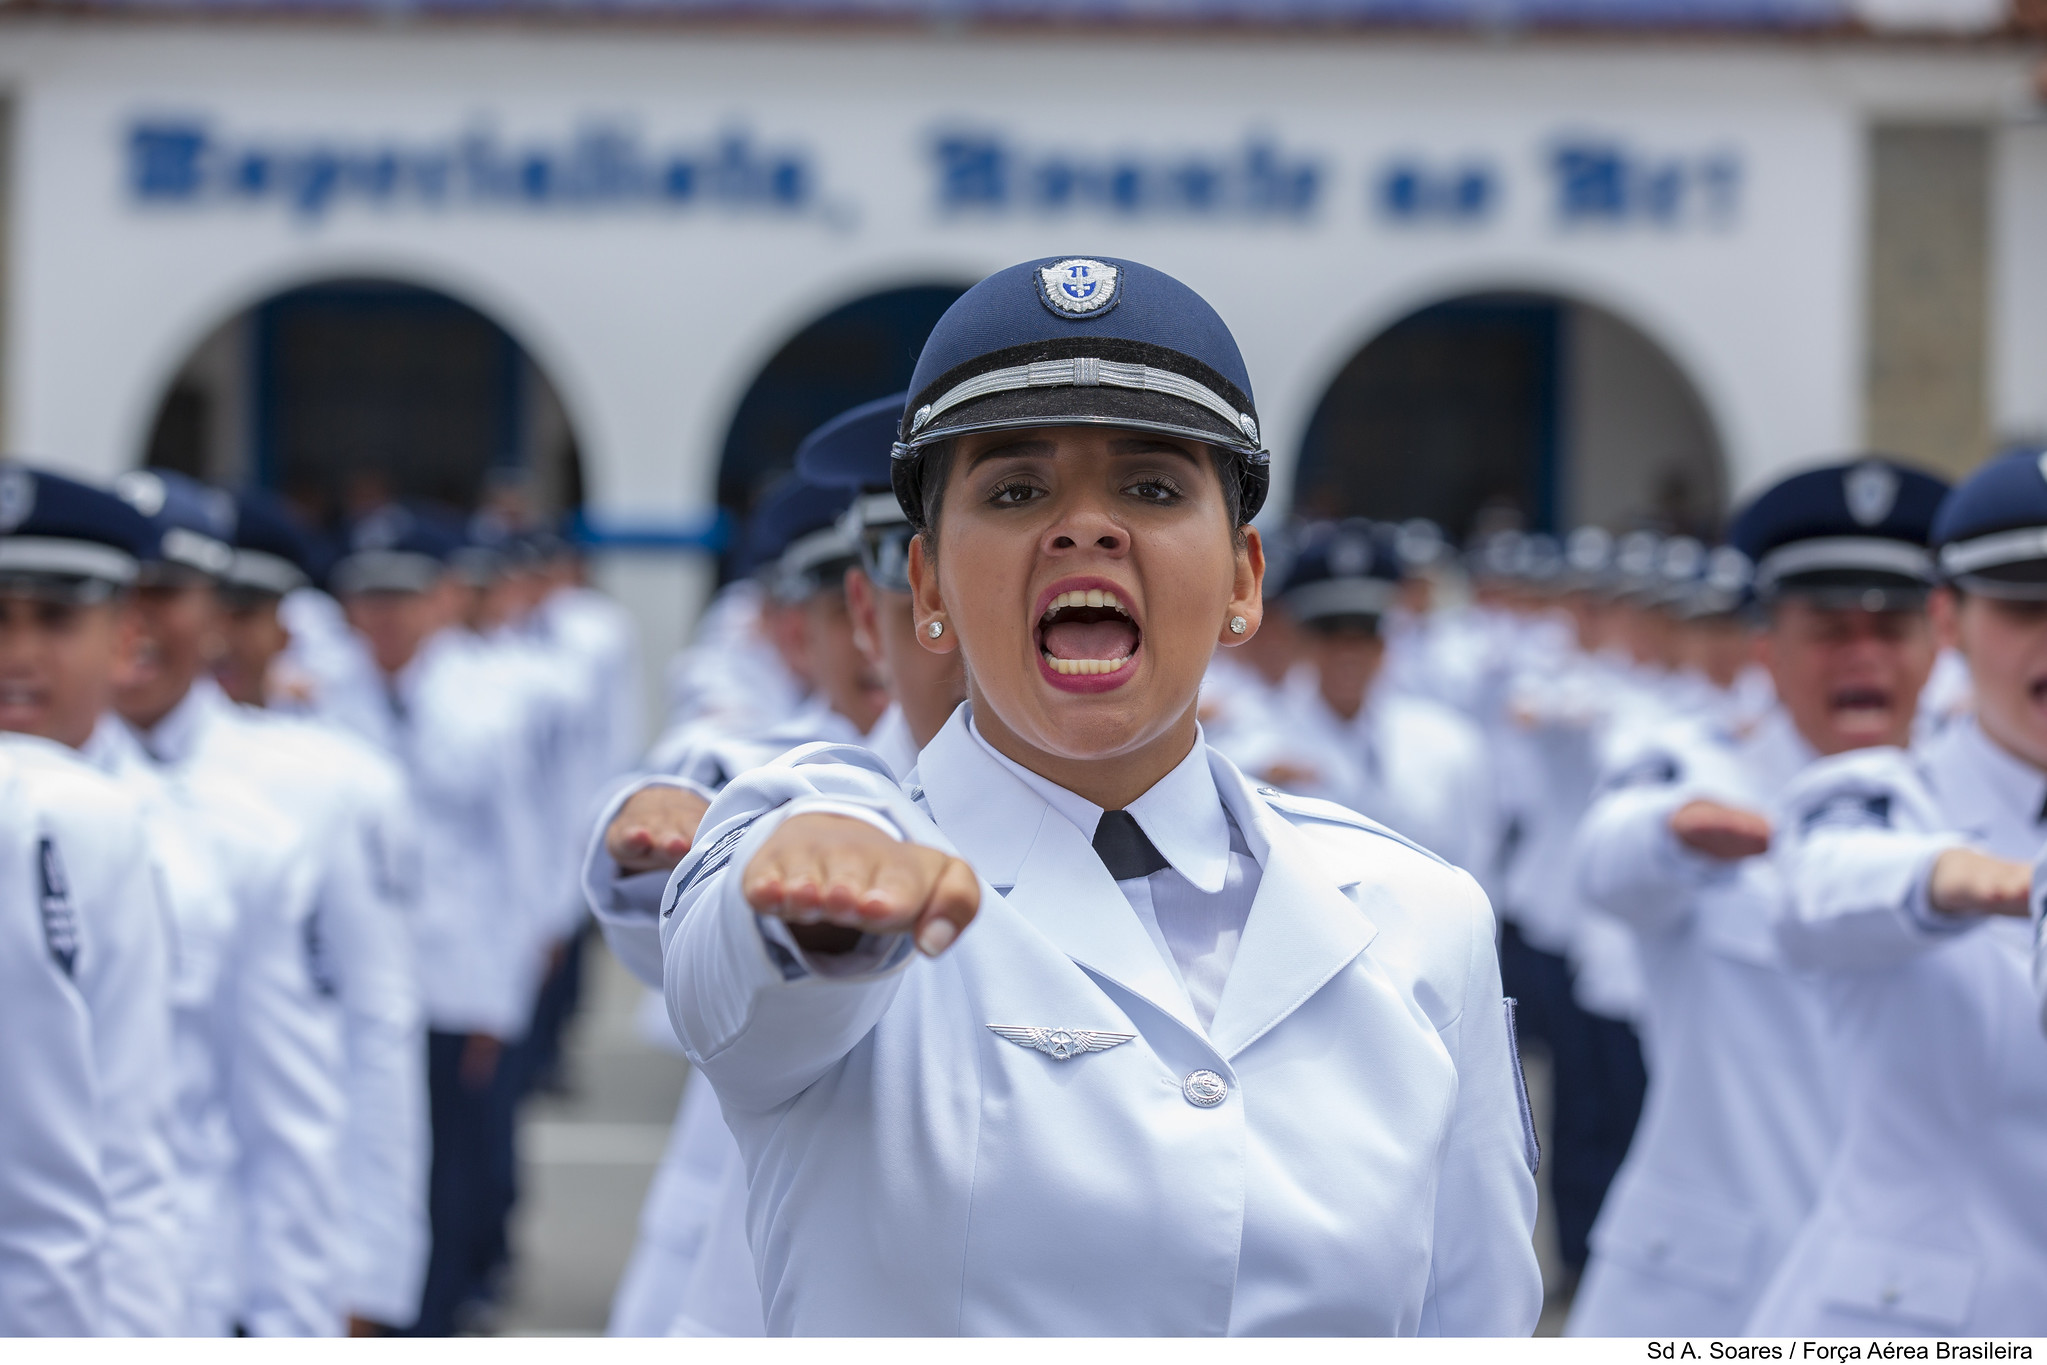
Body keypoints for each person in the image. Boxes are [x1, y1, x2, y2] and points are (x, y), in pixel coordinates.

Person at [654, 256, 1542, 1335]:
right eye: (1016, 491)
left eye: (1153, 488)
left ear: (1243, 580)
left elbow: (1476, 1319)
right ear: (926, 585)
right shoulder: (823, 846)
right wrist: (803, 912)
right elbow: (733, 966)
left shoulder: (1417, 917)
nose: (1086, 529)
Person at [596, 398, 968, 1337]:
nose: (943, 618)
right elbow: (676, 908)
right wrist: (681, 852)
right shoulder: (769, 780)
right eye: (906, 568)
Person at [1563, 458, 1950, 1336]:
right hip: (1709, 1294)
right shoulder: (1694, 768)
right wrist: (1677, 835)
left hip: (1911, 1305)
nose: (1862, 653)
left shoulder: (1972, 810)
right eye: (1827, 627)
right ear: (1765, 646)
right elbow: (1606, 862)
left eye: (1890, 626)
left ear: (1938, 643)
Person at [1746, 447, 2047, 1335]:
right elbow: (1819, 884)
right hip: (1917, 1324)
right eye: (2024, 605)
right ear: (1947, 618)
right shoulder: (1888, 793)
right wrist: (1992, 883)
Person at [200, 488, 433, 1335]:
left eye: (245, 608)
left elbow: (377, 1025)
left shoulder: (333, 781)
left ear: (286, 624)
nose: (220, 633)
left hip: (272, 1250)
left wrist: (372, 1273)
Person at [321, 503, 550, 1335]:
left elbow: (516, 849)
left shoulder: (487, 699)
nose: (384, 616)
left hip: (456, 972)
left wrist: (507, 989)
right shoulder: (317, 698)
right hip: (357, 976)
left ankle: (441, 1315)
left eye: (402, 597)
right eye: (368, 598)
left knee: (452, 1164)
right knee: (371, 1157)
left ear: (440, 601)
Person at [0, 465, 182, 1335]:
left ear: (126, 636)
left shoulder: (209, 826)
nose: (16, 653)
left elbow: (124, 1161)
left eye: (56, 618)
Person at [1212, 517, 1498, 877]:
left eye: (1364, 633)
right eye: (1331, 633)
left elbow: (1476, 874)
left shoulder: (1449, 743)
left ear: (1384, 643)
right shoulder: (1245, 740)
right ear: (1305, 642)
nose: (1348, 652)